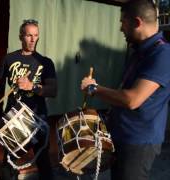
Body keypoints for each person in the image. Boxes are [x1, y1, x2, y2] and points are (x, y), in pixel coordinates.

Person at [80, 0, 170, 180]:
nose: (121, 28)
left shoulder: (163, 54)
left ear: (137, 22)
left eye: (123, 22)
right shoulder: (140, 52)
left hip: (138, 143)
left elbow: (132, 99)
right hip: (123, 137)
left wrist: (94, 88)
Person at [0, 19, 57, 180]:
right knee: (8, 164)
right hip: (14, 118)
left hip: (37, 118)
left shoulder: (45, 62)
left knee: (43, 163)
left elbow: (53, 90)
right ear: (21, 36)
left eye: (36, 35)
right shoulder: (9, 58)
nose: (33, 39)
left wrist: (32, 87)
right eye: (29, 35)